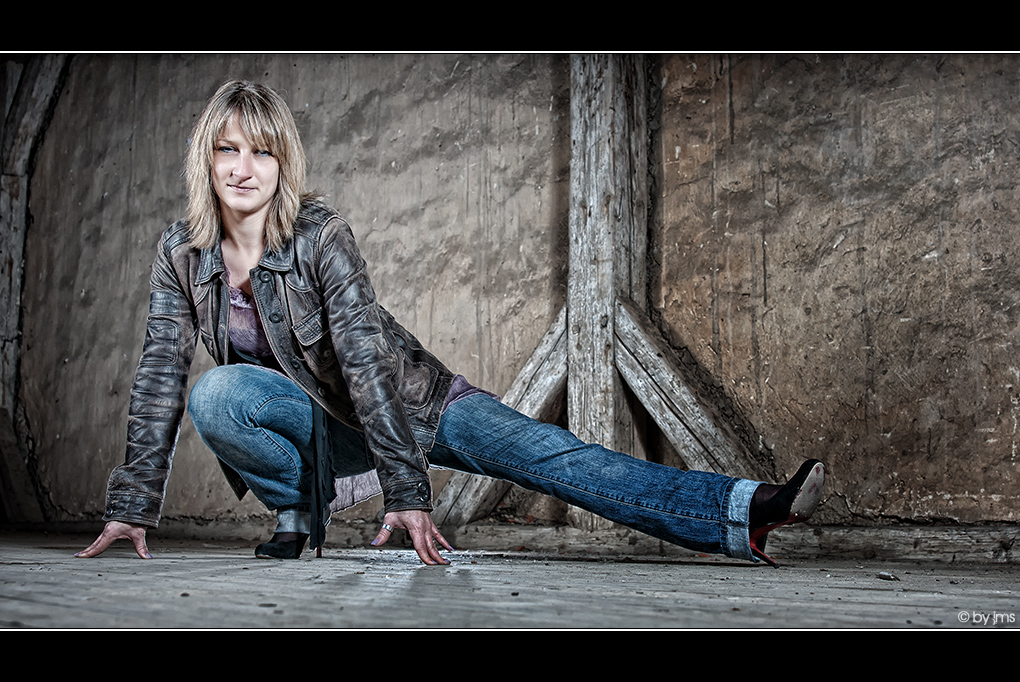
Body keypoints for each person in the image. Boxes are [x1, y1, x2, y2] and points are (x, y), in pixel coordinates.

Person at [76, 80, 824, 567]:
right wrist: (133, 505)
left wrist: (406, 488)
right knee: (217, 394)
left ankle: (745, 509)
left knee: (554, 458)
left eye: (261, 152)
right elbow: (159, 375)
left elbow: (366, 364)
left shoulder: (321, 236)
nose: (243, 168)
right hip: (326, 428)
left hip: (415, 404)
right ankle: (303, 507)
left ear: (283, 164)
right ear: (206, 159)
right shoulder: (181, 253)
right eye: (227, 149)